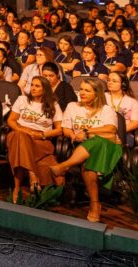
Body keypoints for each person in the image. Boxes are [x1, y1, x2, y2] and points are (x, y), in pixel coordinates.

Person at [48, 78, 122, 223]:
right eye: (81, 89)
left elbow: (111, 129)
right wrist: (73, 135)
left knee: (96, 141)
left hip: (108, 148)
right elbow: (66, 128)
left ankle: (64, 166)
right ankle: (95, 204)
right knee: (89, 165)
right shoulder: (72, 106)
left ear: (97, 93)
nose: (82, 93)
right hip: (81, 147)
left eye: (87, 90)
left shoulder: (106, 109)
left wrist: (87, 132)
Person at [6, 76, 62, 202]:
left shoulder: (53, 105)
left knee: (20, 146)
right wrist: (24, 130)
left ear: (45, 89)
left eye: (37, 86)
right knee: (19, 137)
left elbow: (59, 129)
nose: (33, 88)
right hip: (19, 133)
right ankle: (33, 175)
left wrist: (42, 135)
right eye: (32, 85)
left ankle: (17, 188)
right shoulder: (22, 100)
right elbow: (11, 120)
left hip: (40, 139)